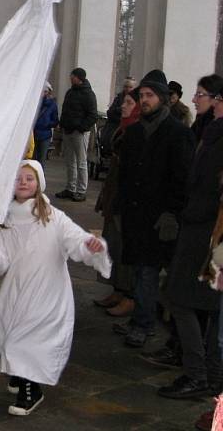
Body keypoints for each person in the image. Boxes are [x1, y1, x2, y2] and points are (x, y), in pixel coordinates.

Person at [0, 160, 111, 416]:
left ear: (39, 184)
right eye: (18, 178)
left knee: (30, 339)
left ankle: (30, 390)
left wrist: (88, 246)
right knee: (11, 333)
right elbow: (2, 254)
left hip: (48, 291)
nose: (23, 182)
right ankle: (20, 373)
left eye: (29, 178)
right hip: (18, 290)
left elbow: (74, 238)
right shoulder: (7, 222)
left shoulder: (53, 218)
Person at [114, 70, 195, 348]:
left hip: (159, 216)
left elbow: (181, 177)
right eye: (142, 96)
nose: (144, 100)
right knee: (138, 270)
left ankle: (144, 324)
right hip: (135, 214)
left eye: (149, 96)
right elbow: (125, 173)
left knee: (148, 272)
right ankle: (140, 317)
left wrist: (172, 212)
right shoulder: (135, 132)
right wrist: (121, 206)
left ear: (162, 99)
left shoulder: (178, 133)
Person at [158, 75, 223, 399]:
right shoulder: (209, 132)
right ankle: (202, 372)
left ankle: (200, 375)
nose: (197, 99)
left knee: (184, 300)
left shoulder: (217, 136)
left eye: (204, 95)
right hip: (199, 227)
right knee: (193, 303)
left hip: (208, 234)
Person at [93, 91, 139, 317]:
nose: (123, 106)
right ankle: (117, 290)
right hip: (115, 196)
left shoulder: (137, 131)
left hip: (126, 201)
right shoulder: (124, 127)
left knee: (123, 250)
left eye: (129, 103)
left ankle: (128, 295)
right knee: (113, 245)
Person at [56, 67, 98, 202]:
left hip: (79, 132)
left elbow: (92, 115)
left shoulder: (88, 94)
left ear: (79, 78)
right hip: (68, 130)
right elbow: (65, 109)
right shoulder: (70, 92)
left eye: (72, 76)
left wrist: (81, 128)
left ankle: (81, 190)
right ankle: (70, 188)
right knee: (70, 162)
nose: (70, 78)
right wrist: (62, 123)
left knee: (81, 162)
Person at [33, 82, 59, 165]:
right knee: (33, 158)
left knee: (42, 159)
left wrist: (47, 123)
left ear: (49, 92)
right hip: (34, 133)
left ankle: (40, 176)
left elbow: (55, 120)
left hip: (45, 135)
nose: (43, 94)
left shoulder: (52, 104)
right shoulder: (35, 103)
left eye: (45, 91)